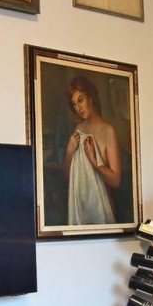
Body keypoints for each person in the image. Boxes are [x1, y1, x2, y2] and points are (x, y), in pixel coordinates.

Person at [64, 76, 121, 224]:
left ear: (90, 98)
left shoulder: (108, 131)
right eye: (74, 104)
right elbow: (68, 177)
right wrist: (69, 151)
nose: (78, 108)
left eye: (80, 100)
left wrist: (94, 162)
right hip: (80, 210)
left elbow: (115, 181)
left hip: (102, 210)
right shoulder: (78, 130)